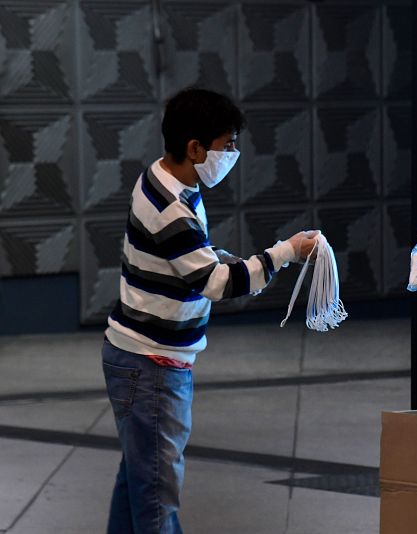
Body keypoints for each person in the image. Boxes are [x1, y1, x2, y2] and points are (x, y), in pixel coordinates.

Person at [101, 88, 319, 533]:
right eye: (228, 144)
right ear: (194, 147)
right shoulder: (171, 208)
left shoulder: (160, 178)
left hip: (135, 358)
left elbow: (192, 258)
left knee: (138, 483)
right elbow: (215, 283)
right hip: (153, 367)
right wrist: (285, 253)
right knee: (157, 496)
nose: (233, 153)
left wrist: (231, 260)